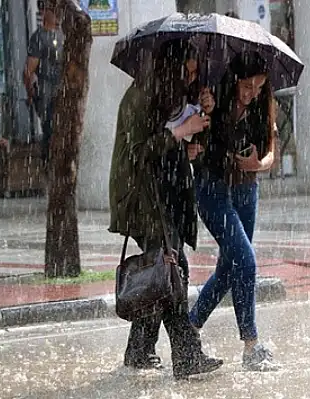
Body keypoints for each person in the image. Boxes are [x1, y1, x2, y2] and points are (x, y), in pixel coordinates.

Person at [108, 40, 220, 380]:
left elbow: (167, 144)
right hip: (143, 199)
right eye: (186, 71)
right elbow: (140, 152)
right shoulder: (140, 97)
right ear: (169, 68)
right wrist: (179, 133)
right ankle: (186, 355)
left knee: (162, 270)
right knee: (171, 268)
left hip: (165, 195)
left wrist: (199, 123)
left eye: (194, 72)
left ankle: (140, 351)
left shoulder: (168, 97)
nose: (190, 77)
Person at [189, 52, 280, 372]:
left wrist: (259, 164)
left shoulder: (262, 105)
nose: (252, 92)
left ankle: (189, 329)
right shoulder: (214, 97)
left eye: (258, 86)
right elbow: (197, 141)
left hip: (246, 189)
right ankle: (251, 344)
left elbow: (271, 152)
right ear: (234, 80)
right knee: (246, 260)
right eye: (246, 85)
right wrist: (209, 112)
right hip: (212, 189)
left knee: (230, 269)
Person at [24, 0, 64, 167]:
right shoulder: (39, 37)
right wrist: (31, 93)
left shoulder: (64, 34)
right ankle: (50, 168)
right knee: (51, 132)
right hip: (47, 93)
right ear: (43, 11)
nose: (57, 12)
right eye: (53, 8)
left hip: (64, 91)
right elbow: (28, 70)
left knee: (64, 132)